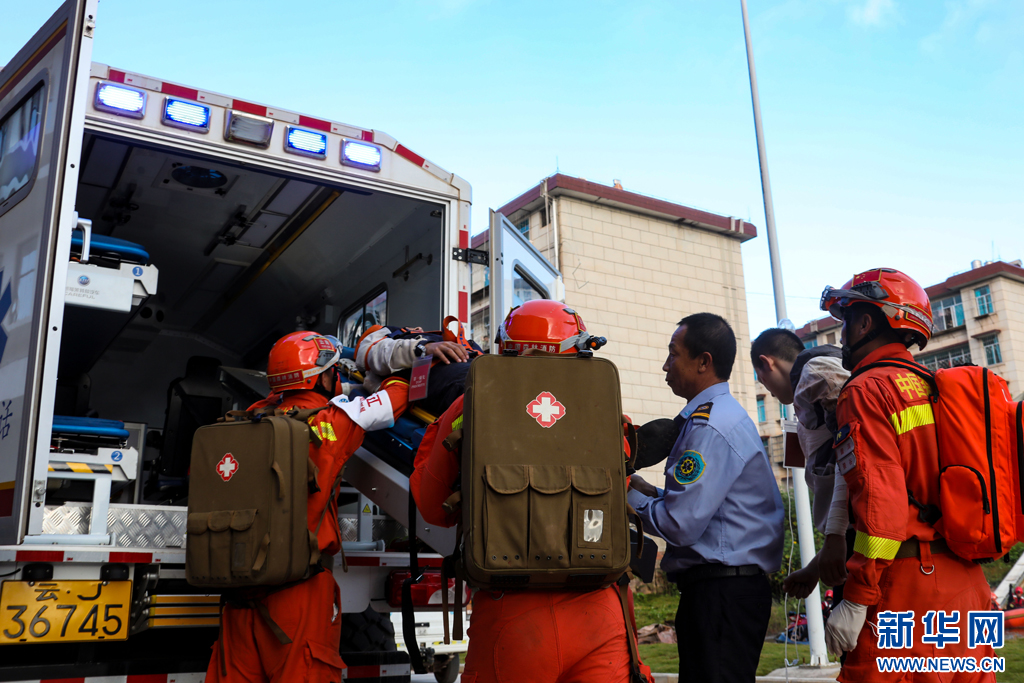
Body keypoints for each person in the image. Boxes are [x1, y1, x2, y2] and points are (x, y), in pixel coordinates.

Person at [410, 300, 653, 683]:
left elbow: (432, 506)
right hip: (597, 610)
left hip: (510, 615)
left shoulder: (469, 404)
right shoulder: (607, 408)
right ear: (580, 347)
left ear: (505, 347)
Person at [819, 269, 994, 681]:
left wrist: (857, 599)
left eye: (846, 322)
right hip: (969, 585)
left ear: (865, 323)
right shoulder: (941, 388)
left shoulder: (866, 390)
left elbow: (881, 506)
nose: (841, 337)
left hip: (908, 590)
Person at [206, 331, 409, 683]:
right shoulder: (330, 422)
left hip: (239, 593)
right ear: (322, 377)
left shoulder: (245, 419)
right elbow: (398, 396)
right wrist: (376, 372)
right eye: (334, 372)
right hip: (297, 593)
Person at [629, 312, 784, 683]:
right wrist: (651, 493)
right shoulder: (716, 417)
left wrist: (626, 500)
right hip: (724, 590)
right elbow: (709, 510)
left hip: (721, 593)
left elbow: (680, 524)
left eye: (673, 354)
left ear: (704, 362)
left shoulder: (709, 426)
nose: (665, 365)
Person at [749, 328, 851, 600]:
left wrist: (835, 536)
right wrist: (816, 567)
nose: (769, 392)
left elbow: (855, 453)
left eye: (762, 380)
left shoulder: (815, 374)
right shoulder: (814, 380)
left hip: (866, 542)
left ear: (767, 363)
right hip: (858, 541)